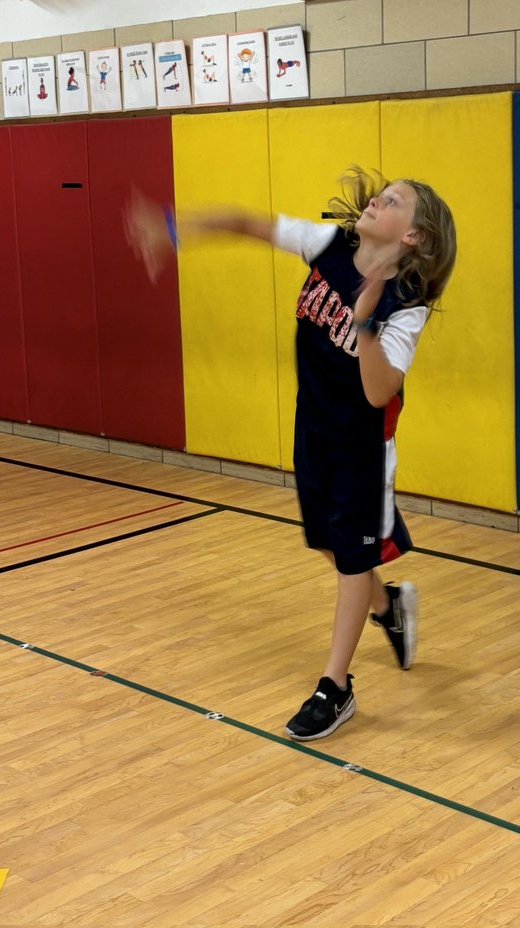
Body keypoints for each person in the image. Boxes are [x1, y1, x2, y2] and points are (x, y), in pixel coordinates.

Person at [125, 167, 456, 741]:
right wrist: (173, 227)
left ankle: (336, 688)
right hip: (314, 430)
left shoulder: (405, 305)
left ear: (414, 237)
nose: (377, 198)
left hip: (361, 448)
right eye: (382, 192)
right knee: (331, 548)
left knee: (351, 561)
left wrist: (366, 321)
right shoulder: (329, 244)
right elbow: (247, 223)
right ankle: (390, 608)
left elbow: (380, 391)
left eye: (394, 199)